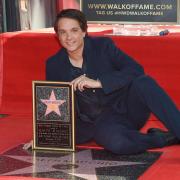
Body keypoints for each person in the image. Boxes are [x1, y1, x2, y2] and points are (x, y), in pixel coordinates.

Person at [45, 9, 180, 155]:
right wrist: (44, 137)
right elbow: (56, 104)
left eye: (74, 30)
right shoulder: (53, 64)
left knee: (144, 83)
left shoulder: (103, 46)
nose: (68, 37)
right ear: (57, 35)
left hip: (126, 110)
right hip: (98, 124)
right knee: (118, 144)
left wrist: (99, 82)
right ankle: (161, 138)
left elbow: (136, 69)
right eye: (63, 32)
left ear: (84, 32)